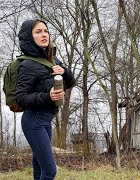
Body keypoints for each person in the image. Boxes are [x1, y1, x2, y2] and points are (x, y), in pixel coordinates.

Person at [16, 19, 75, 180]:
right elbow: (21, 98)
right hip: (33, 122)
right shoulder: (27, 65)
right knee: (50, 171)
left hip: (46, 121)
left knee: (39, 167)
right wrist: (47, 96)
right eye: (38, 32)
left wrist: (64, 72)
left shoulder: (52, 60)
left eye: (46, 31)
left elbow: (70, 83)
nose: (44, 35)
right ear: (29, 37)